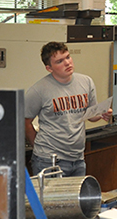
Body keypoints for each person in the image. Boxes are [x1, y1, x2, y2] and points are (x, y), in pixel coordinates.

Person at [25, 42, 112, 177]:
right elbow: (25, 121)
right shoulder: (39, 90)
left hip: (77, 158)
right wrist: (37, 146)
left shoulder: (86, 82)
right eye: (59, 61)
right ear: (49, 68)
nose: (67, 63)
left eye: (67, 57)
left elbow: (91, 115)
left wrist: (102, 114)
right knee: (51, 199)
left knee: (76, 198)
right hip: (49, 160)